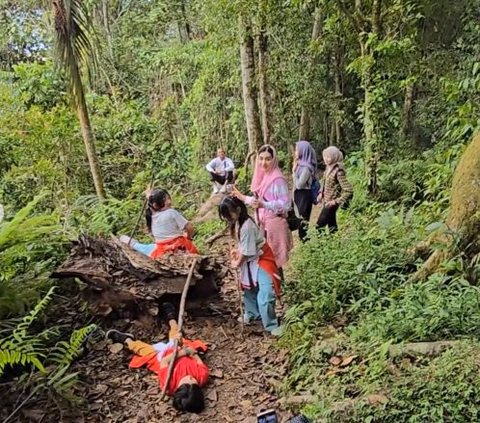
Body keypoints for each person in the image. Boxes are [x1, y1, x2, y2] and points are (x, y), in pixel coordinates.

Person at [106, 303, 208, 413]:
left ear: (177, 389)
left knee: (143, 350)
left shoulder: (169, 384)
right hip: (179, 348)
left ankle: (126, 340)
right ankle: (171, 318)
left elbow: (164, 362)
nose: (191, 379)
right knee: (176, 334)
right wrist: (188, 351)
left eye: (185, 383)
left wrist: (181, 353)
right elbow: (197, 358)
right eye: (194, 385)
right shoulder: (202, 377)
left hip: (162, 356)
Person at [218, 196, 282, 336]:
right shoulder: (237, 223)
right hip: (250, 260)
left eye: (229, 215)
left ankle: (271, 324)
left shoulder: (247, 225)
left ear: (239, 210)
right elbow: (244, 247)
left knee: (265, 293)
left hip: (261, 258)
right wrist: (238, 251)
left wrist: (237, 263)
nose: (228, 218)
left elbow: (247, 252)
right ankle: (253, 313)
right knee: (249, 289)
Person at [233, 144, 293, 272]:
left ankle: (277, 286)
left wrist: (265, 204)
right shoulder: (264, 176)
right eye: (260, 158)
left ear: (274, 159)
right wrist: (241, 197)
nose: (263, 163)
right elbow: (258, 201)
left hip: (274, 223)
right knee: (268, 257)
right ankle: (275, 285)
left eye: (267, 159)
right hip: (264, 223)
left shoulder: (277, 179)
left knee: (274, 257)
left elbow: (286, 205)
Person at [120, 189, 198, 259]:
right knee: (151, 247)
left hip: (162, 250)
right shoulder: (172, 213)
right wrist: (189, 238)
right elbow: (189, 227)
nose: (169, 201)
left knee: (148, 248)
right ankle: (131, 243)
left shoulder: (152, 215)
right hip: (180, 247)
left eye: (168, 198)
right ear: (156, 204)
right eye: (166, 200)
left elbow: (150, 204)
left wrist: (148, 196)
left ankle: (130, 243)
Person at [316, 146, 353, 232]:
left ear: (334, 157)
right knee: (332, 224)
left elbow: (349, 190)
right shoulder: (328, 167)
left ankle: (320, 244)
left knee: (319, 226)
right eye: (325, 156)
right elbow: (325, 182)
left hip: (331, 203)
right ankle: (334, 242)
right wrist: (321, 193)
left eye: (328, 157)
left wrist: (336, 201)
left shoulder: (339, 172)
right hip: (326, 200)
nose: (326, 159)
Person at [292, 140, 317, 242]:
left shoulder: (306, 168)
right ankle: (304, 242)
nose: (295, 152)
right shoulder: (299, 165)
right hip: (299, 195)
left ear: (303, 151)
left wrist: (293, 172)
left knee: (303, 220)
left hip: (304, 195)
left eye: (297, 150)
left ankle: (306, 244)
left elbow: (299, 185)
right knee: (299, 219)